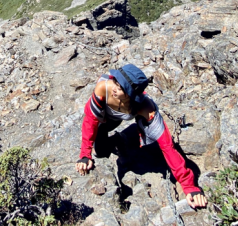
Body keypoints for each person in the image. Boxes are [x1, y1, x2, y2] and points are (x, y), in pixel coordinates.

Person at [75, 63, 207, 209]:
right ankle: (117, 140)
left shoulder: (145, 108)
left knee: (132, 143)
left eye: (120, 88)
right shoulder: (103, 88)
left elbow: (167, 146)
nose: (114, 89)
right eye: (115, 82)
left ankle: (124, 138)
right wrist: (85, 154)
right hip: (104, 118)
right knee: (100, 151)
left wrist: (190, 187)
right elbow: (90, 121)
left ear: (131, 95)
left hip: (120, 117)